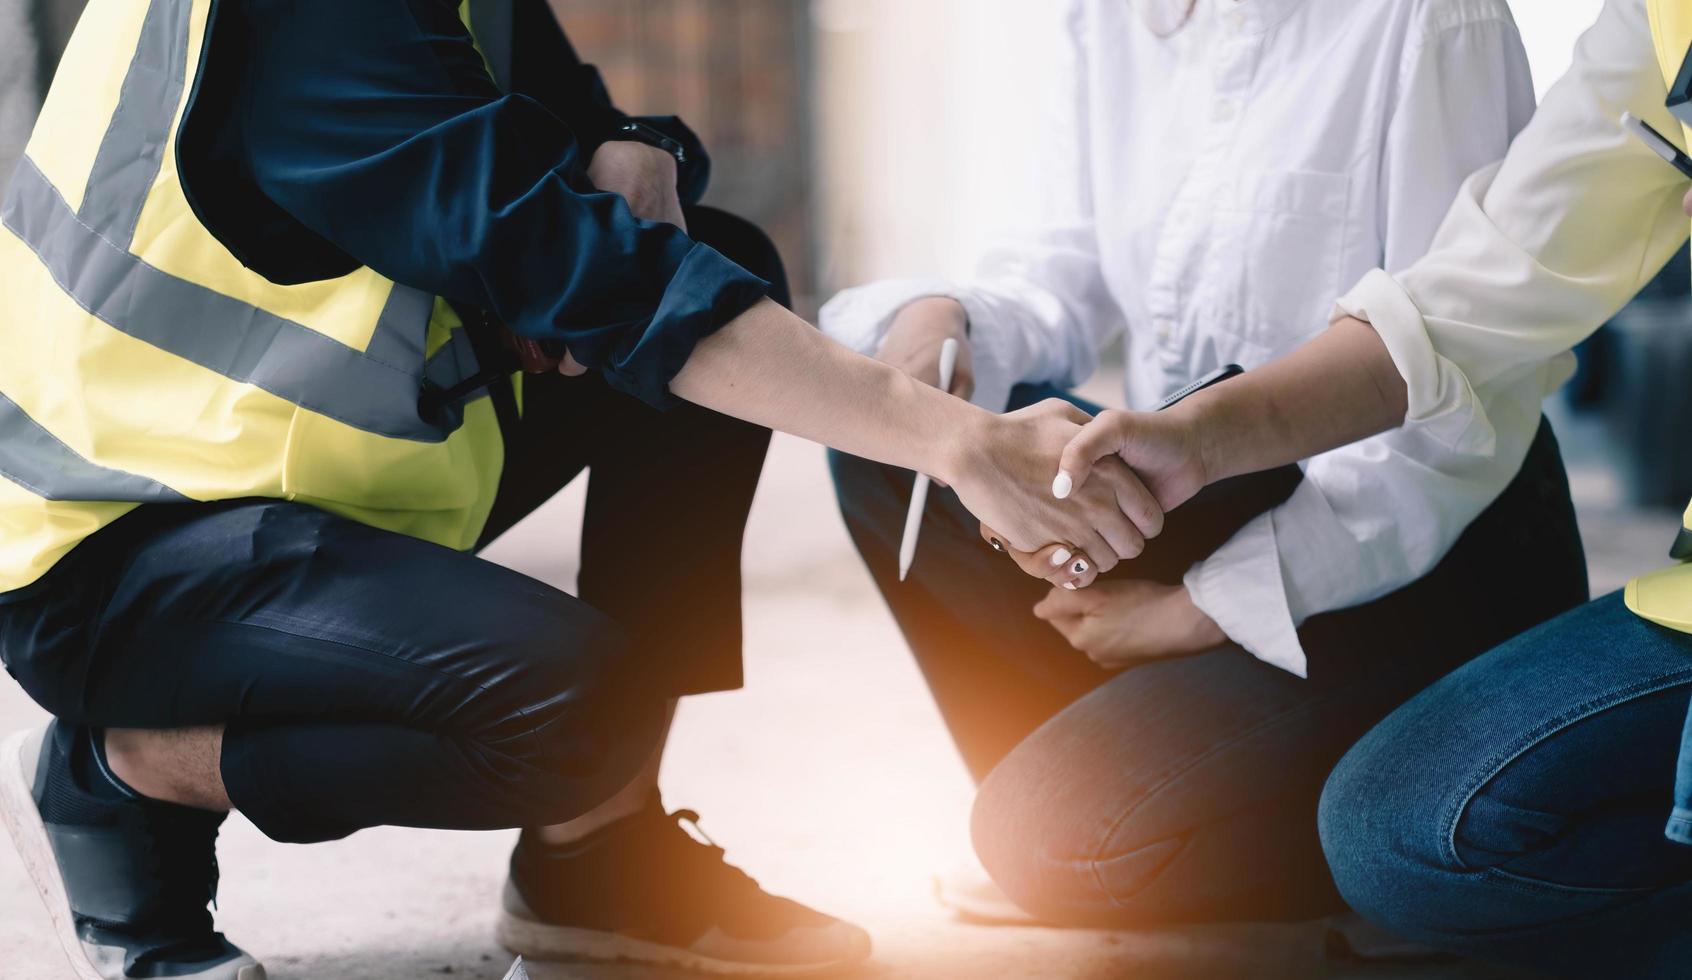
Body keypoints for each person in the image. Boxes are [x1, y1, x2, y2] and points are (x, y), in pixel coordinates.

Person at [0, 2, 1165, 978]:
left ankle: (595, 862)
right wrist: (957, 441)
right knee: (578, 711)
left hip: (275, 474)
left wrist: (629, 140)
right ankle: (122, 771)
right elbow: (589, 271)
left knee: (725, 260)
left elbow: (568, 147)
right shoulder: (319, 15)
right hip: (112, 545)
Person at [823, 0, 1591, 929]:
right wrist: (943, 321)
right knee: (893, 447)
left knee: (1051, 843)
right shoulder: (1112, 18)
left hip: (1420, 537)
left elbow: (1463, 387)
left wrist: (1201, 607)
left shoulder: (1428, 19)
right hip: (1198, 483)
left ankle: (1320, 832)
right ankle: (1134, 798)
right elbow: (1061, 266)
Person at [1057, 0, 1692, 972]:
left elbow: (1467, 414)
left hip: (1439, 532)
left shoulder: (1432, 21)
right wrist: (1201, 438)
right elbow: (1467, 303)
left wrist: (1218, 599)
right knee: (1393, 832)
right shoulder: (1656, 26)